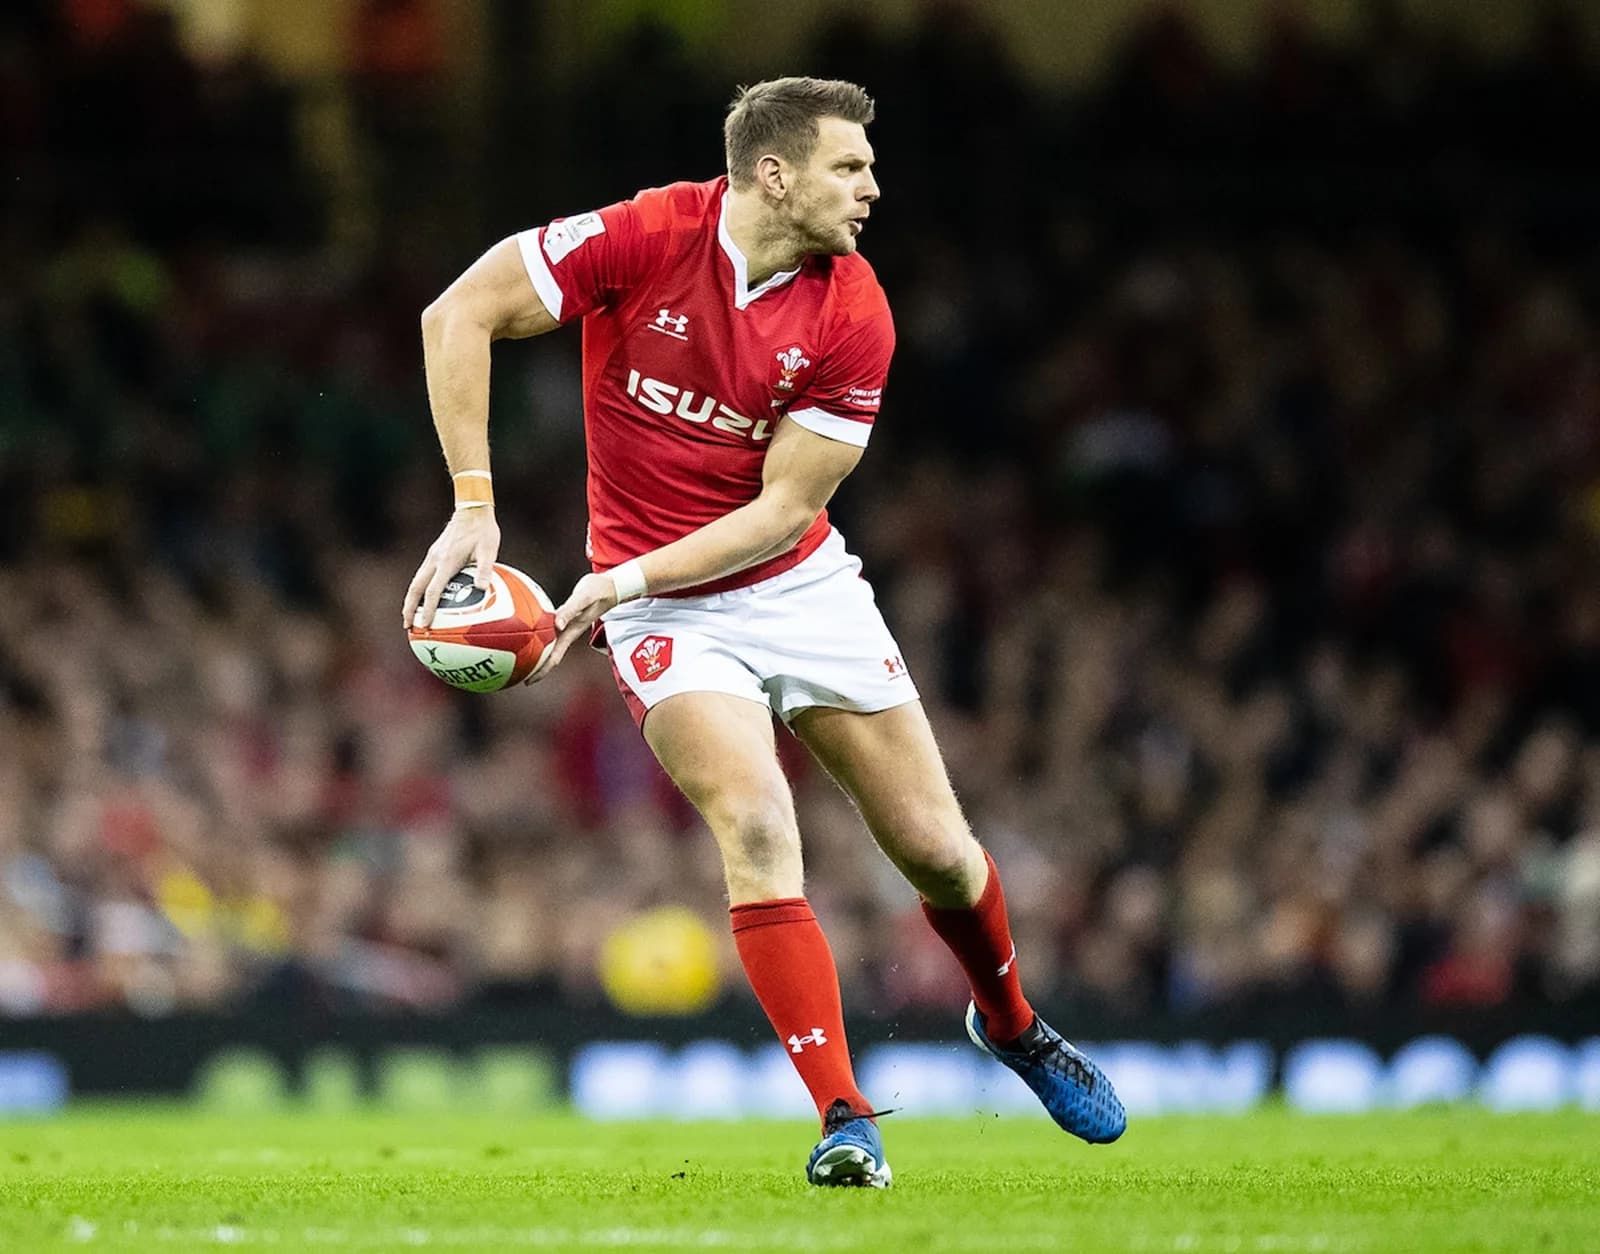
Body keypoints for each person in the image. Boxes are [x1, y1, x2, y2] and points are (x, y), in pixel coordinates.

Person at [402, 76, 1125, 1187]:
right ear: (774, 174)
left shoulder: (854, 309)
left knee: (935, 852)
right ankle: (846, 1118)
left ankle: (1013, 1023)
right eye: (851, 166)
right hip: (664, 612)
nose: (874, 187)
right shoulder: (647, 235)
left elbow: (780, 512)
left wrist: (610, 579)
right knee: (753, 821)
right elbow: (457, 311)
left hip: (794, 585)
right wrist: (474, 504)